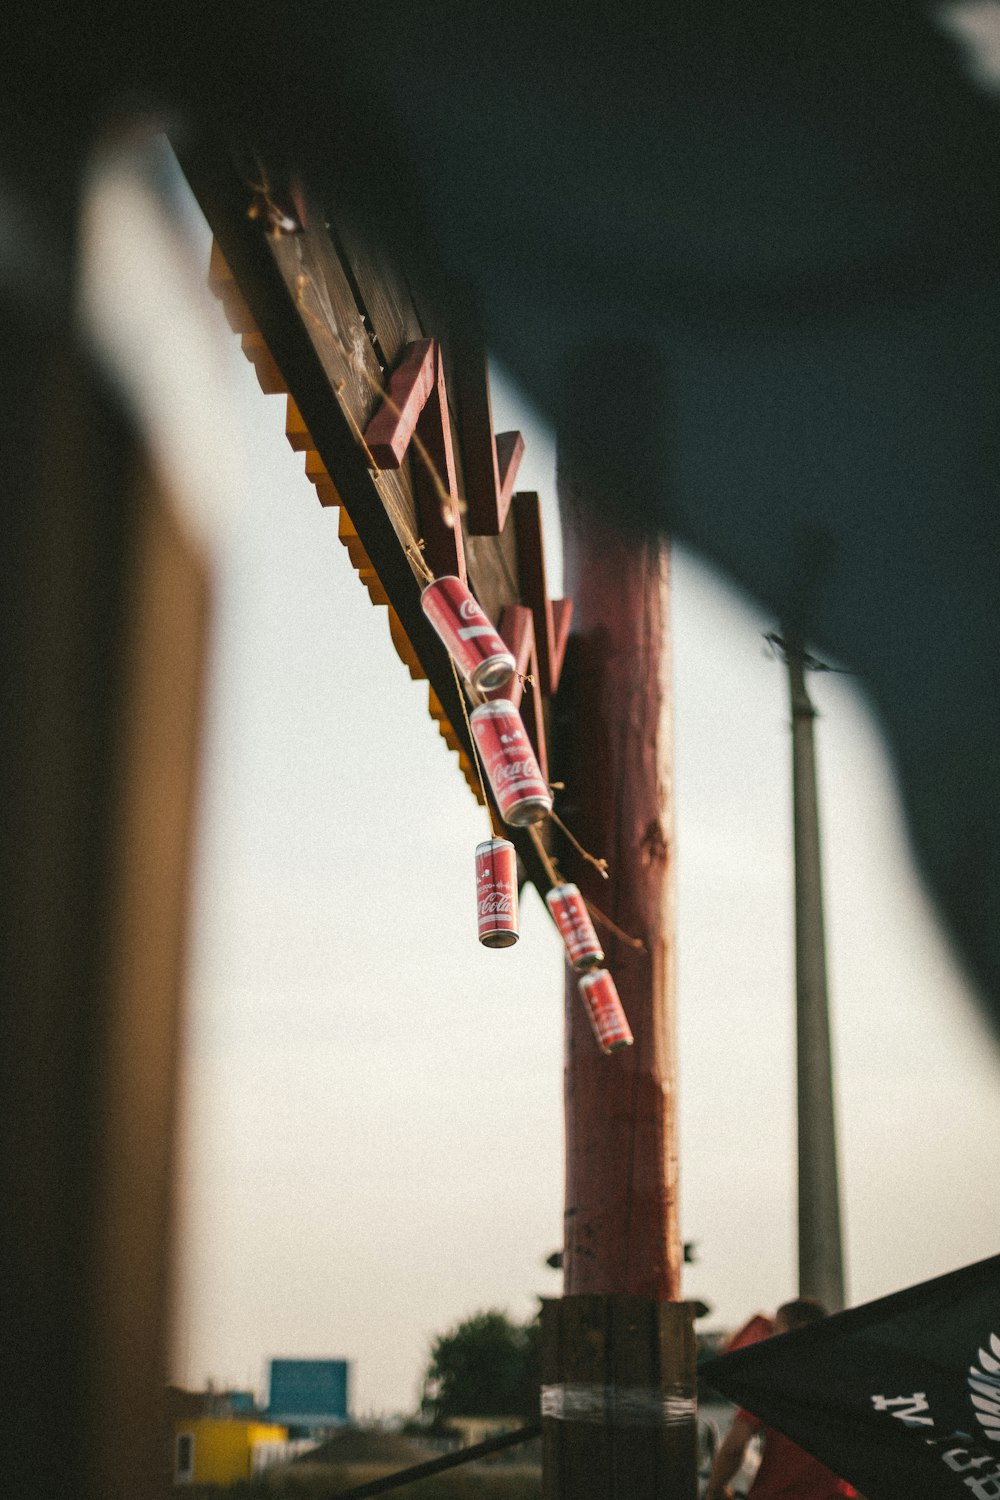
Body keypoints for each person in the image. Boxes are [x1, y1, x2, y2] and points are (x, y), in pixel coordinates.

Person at [704, 1299, 858, 1500]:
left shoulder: (773, 1382)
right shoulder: (849, 1384)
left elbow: (735, 1446)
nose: (770, 1337)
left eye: (776, 1329)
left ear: (800, 1329)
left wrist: (715, 1489)